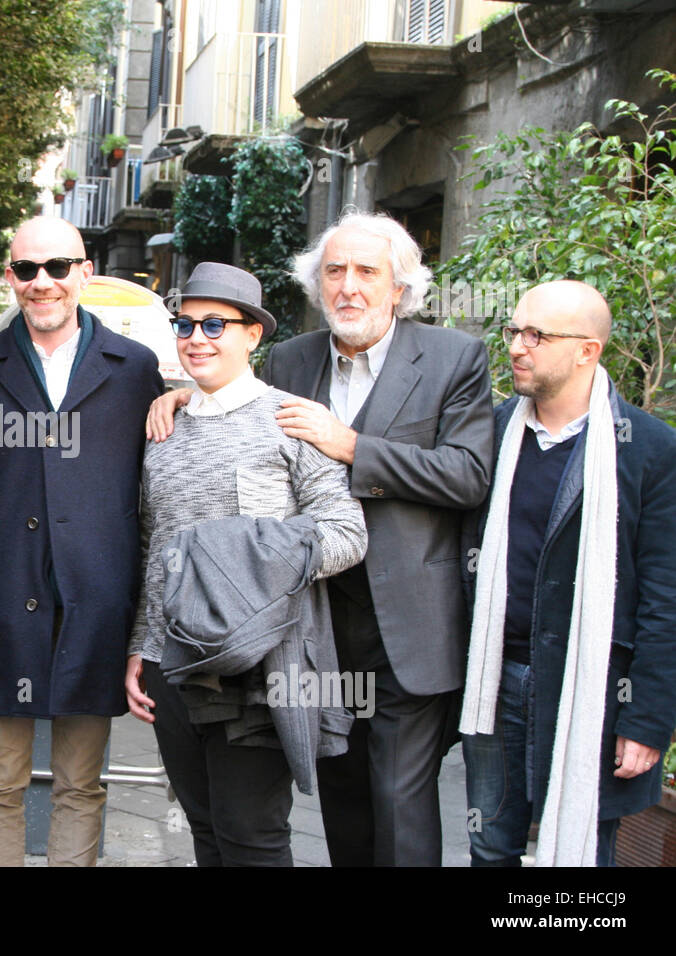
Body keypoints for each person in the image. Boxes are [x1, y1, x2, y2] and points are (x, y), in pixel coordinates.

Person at [148, 211, 495, 866]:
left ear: (400, 288)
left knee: (399, 793)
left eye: (368, 272)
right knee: (340, 788)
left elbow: (469, 475)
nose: (349, 287)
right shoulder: (292, 357)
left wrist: (355, 447)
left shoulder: (454, 358)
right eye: (335, 271)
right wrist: (181, 399)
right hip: (318, 622)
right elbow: (245, 408)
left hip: (408, 624)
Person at [126, 262, 367, 866]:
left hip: (258, 664)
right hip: (170, 663)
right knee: (203, 827)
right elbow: (155, 545)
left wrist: (250, 562)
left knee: (252, 836)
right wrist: (139, 646)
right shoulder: (164, 423)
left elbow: (346, 532)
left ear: (253, 335)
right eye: (184, 324)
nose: (196, 337)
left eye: (214, 324)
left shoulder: (290, 418)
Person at [0, 217, 163, 866]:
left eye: (58, 267)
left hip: (94, 604)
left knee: (81, 783)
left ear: (86, 273)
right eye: (26, 270)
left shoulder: (135, 368)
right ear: (9, 277)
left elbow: (156, 489)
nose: (42, 282)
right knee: (2, 781)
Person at [460, 280, 676, 867]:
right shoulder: (492, 432)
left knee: (583, 843)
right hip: (495, 679)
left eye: (537, 335)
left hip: (595, 688)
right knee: (489, 842)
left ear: (587, 351)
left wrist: (649, 717)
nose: (516, 347)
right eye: (513, 331)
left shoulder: (648, 450)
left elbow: (666, 595)